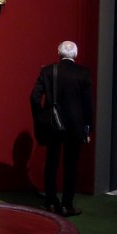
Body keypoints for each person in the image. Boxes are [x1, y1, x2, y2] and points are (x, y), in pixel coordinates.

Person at [30, 41, 93, 217]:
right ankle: (66, 205)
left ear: (58, 53)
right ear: (76, 54)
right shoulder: (83, 74)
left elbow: (34, 98)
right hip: (75, 126)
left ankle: (50, 202)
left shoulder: (48, 71)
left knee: (51, 163)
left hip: (53, 124)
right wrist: (87, 128)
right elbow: (88, 105)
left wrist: (41, 116)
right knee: (71, 165)